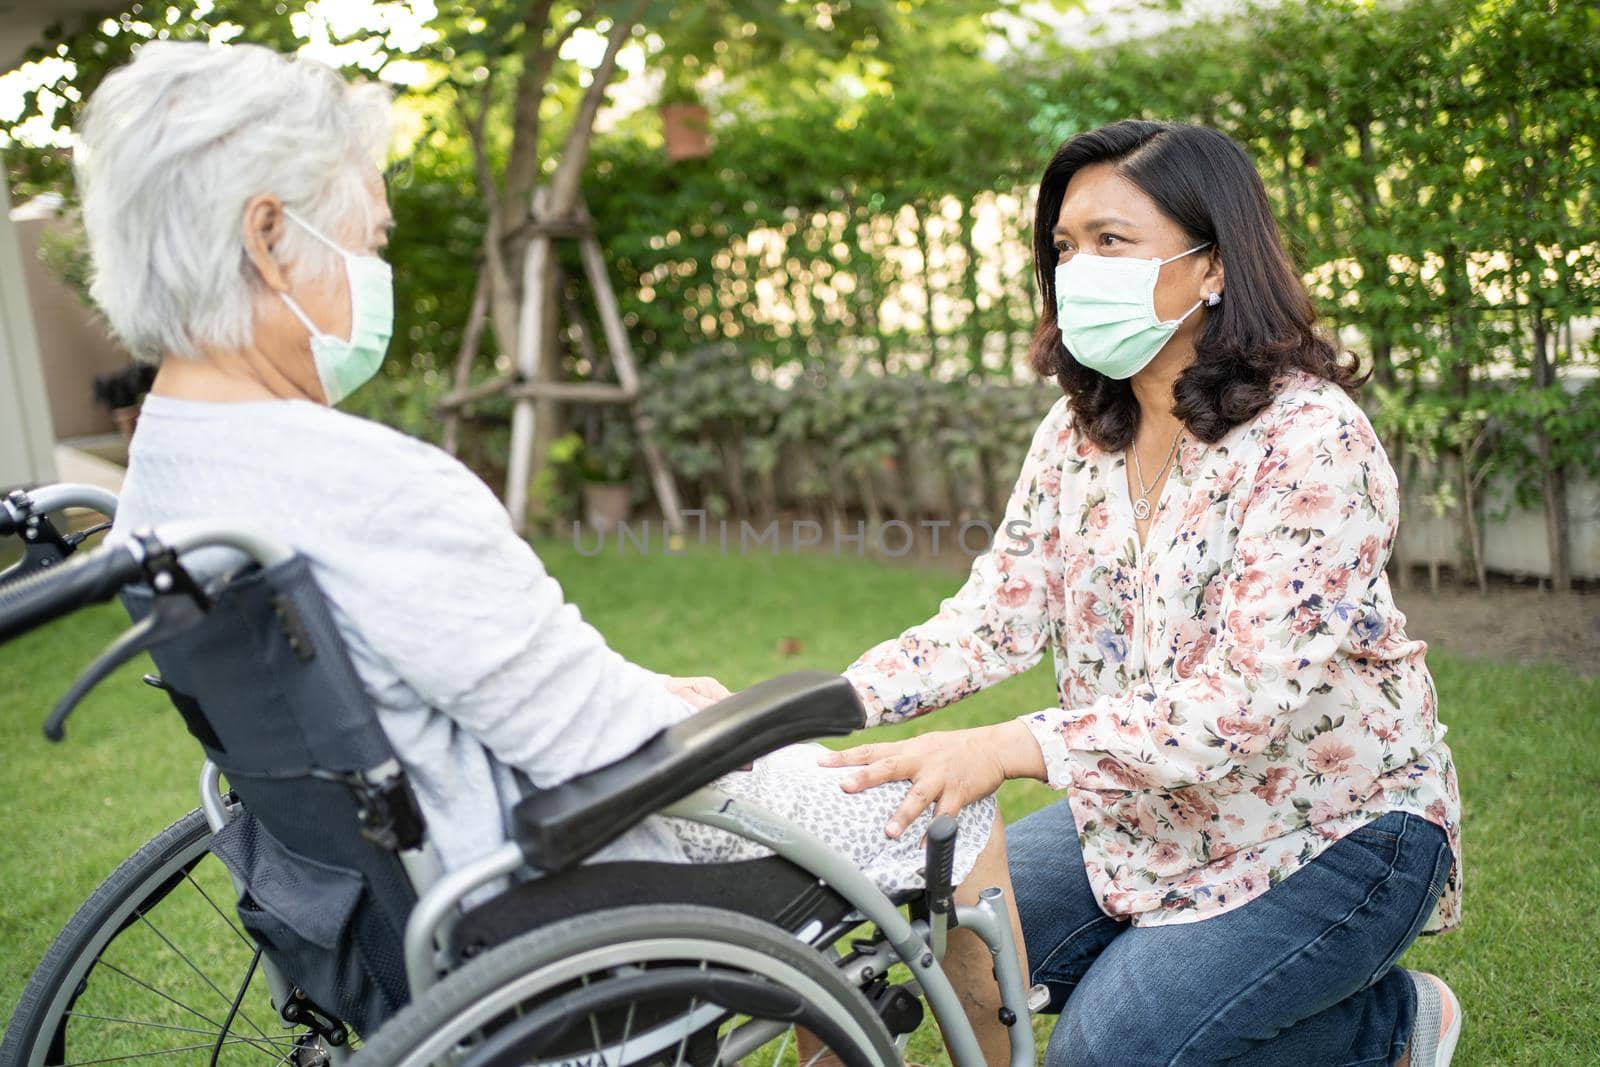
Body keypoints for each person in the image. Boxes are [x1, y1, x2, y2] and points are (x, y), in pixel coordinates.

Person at [76, 41, 1023, 1058]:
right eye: (368, 238)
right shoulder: (372, 482)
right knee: (941, 814)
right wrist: (691, 705)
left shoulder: (157, 484)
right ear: (270, 236)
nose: (374, 271)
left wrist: (641, 686)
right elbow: (599, 744)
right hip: (545, 894)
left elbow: (470, 676)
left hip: (375, 898)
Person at [829, 120, 1463, 1066]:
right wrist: (834, 701)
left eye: (1111, 241)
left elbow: (1242, 701)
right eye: (1065, 246)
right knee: (904, 946)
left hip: (1333, 827)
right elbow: (996, 612)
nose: (1078, 267)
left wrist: (1013, 744)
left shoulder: (1313, 440)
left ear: (1214, 265)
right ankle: (1204, 985)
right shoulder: (1079, 432)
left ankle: (1387, 1027)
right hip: (1144, 813)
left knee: (1105, 1048)